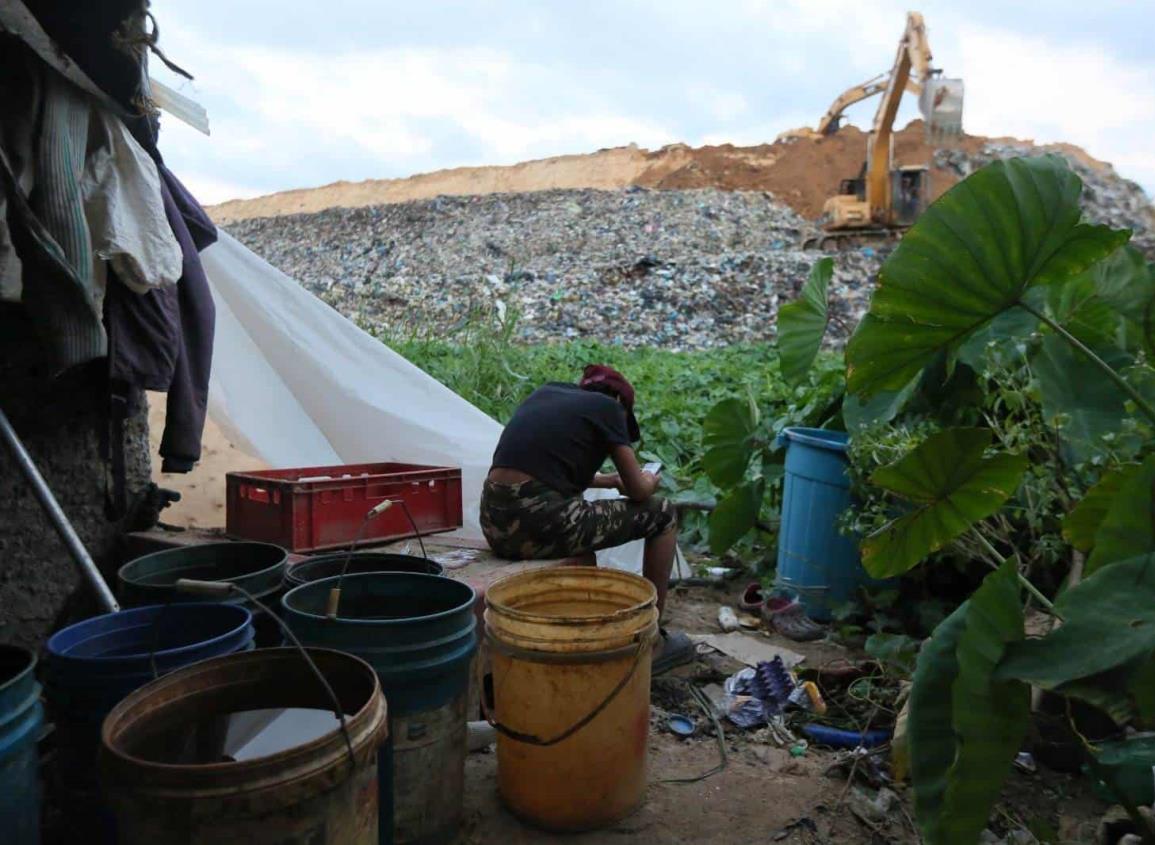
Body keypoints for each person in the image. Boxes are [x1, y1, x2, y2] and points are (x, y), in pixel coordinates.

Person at [481, 364, 694, 674]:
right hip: (538, 522)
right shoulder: (608, 408)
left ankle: (580, 630)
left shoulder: (548, 393)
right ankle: (653, 642)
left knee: (577, 529)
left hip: (495, 523)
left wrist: (607, 481)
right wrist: (650, 479)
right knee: (662, 513)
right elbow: (638, 491)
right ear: (621, 404)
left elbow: (544, 470)